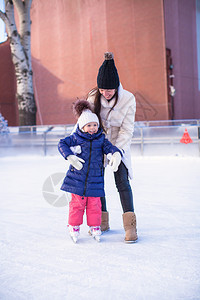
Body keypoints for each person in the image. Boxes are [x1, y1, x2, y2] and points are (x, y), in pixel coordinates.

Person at [87, 52, 138, 243]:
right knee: (97, 183)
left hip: (119, 144)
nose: (105, 93)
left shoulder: (128, 99)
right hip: (98, 144)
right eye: (102, 89)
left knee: (122, 181)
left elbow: (127, 130)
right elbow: (86, 123)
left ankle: (130, 226)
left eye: (109, 90)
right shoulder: (93, 97)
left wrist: (116, 152)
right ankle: (102, 221)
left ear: (116, 86)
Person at [58, 99, 122, 243]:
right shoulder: (76, 138)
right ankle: (74, 226)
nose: (92, 128)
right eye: (89, 125)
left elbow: (110, 148)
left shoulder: (101, 139)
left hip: (95, 179)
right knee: (77, 205)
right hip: (77, 179)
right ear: (82, 126)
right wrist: (70, 156)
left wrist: (116, 154)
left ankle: (95, 226)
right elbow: (62, 143)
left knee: (94, 205)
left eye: (94, 125)